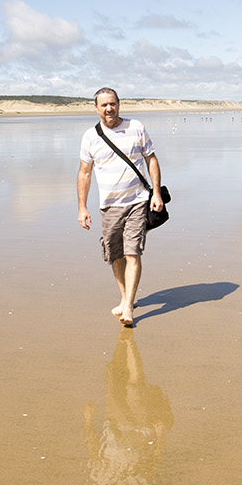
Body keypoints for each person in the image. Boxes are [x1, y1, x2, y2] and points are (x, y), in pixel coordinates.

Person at [77, 88, 164, 327]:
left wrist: (156, 193)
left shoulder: (136, 127)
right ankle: (126, 297)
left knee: (132, 252)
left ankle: (128, 307)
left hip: (138, 201)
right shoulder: (90, 137)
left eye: (112, 104)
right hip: (109, 206)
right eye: (103, 105)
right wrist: (82, 207)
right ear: (96, 108)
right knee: (115, 255)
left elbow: (151, 159)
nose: (109, 109)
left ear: (119, 104)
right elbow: (84, 172)